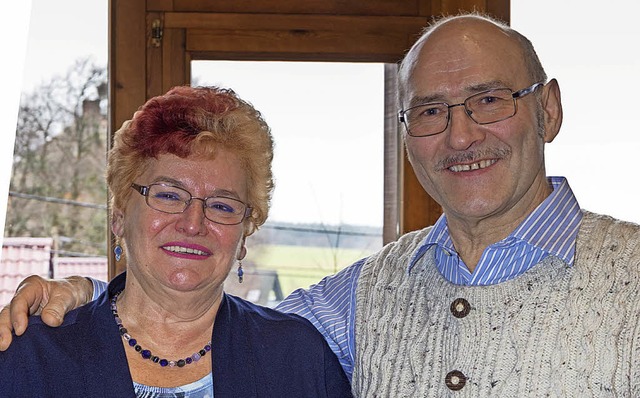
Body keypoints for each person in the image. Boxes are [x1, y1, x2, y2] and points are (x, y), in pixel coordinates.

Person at [3, 12, 640, 396]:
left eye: (490, 99)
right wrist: (80, 295)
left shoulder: (631, 280)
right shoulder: (369, 293)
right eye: (430, 110)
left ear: (549, 109)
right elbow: (189, 304)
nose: (461, 134)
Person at [0, 85, 353, 397]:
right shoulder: (28, 356)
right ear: (119, 216)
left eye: (221, 205)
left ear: (245, 234)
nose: (193, 223)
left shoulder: (298, 357)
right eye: (169, 195)